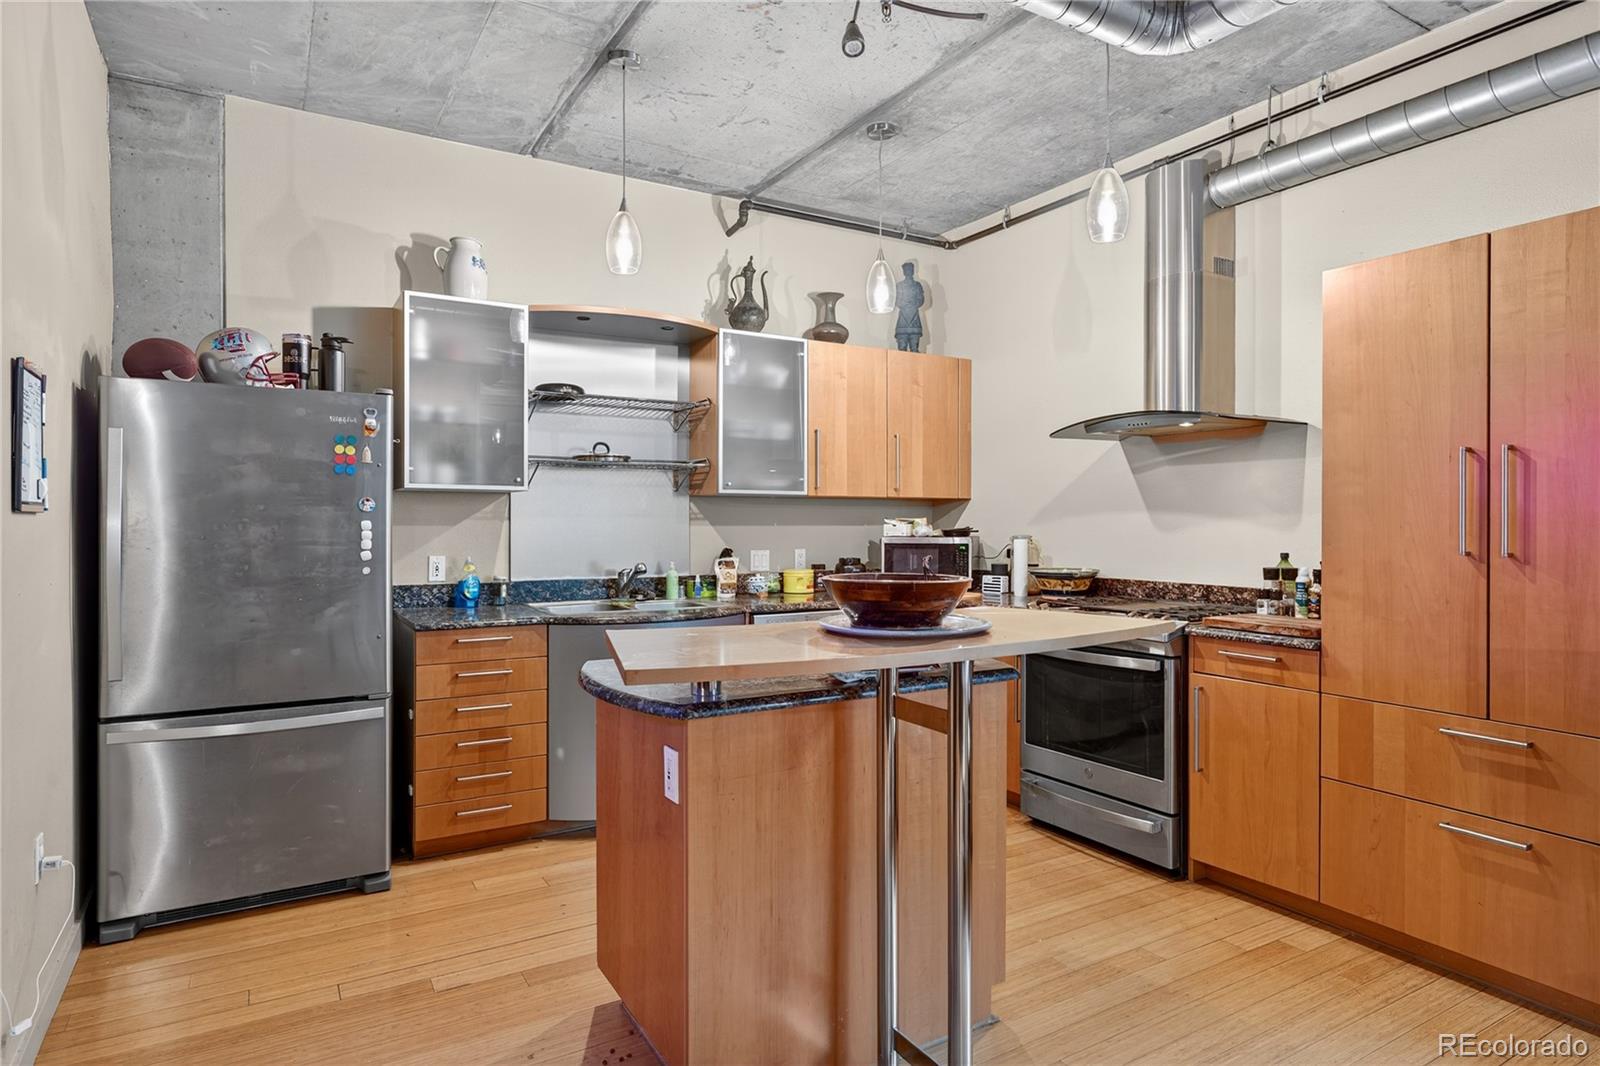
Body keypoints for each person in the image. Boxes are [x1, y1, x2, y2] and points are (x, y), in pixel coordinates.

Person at [894, 261, 924, 352]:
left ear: (913, 270)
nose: (908, 271)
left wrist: (913, 303)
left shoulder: (917, 285)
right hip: (903, 321)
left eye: (910, 269)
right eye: (906, 269)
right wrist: (905, 303)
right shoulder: (899, 286)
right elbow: (897, 301)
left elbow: (921, 300)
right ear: (904, 271)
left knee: (914, 349)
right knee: (902, 349)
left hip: (914, 319)